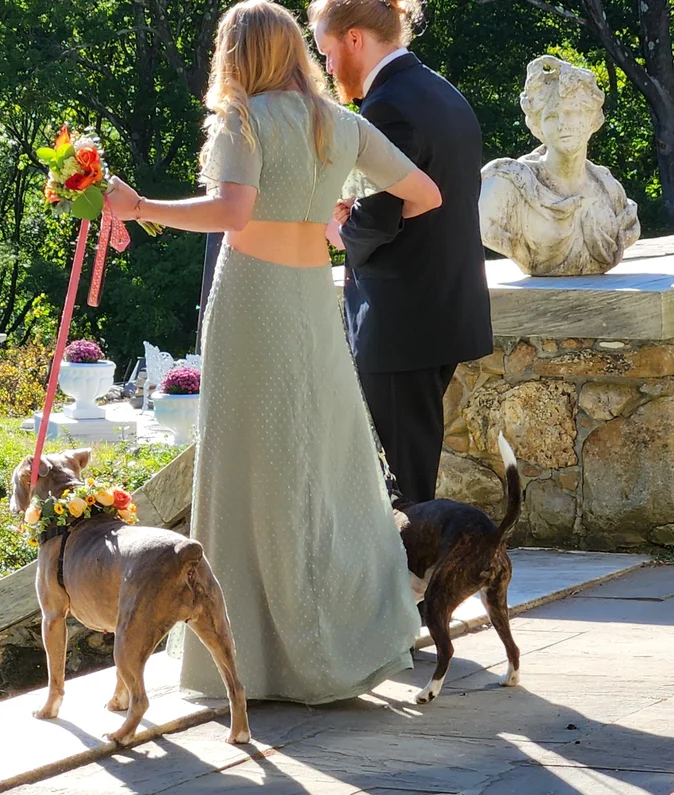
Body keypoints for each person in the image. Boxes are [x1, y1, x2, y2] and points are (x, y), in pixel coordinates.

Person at [106, 0, 441, 704]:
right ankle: (348, 631)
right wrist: (335, 218)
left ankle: (250, 656)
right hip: (314, 304)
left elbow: (231, 211)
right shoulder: (340, 124)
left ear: (237, 56)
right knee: (325, 464)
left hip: (254, 301)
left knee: (248, 470)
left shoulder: (243, 119)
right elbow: (423, 193)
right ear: (293, 50)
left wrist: (139, 206)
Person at [310, 0, 493, 504]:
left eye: (327, 53)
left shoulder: (387, 107)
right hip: (445, 306)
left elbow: (380, 218)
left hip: (400, 320)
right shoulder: (443, 93)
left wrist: (333, 228)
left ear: (354, 40)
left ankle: (411, 580)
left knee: (406, 481)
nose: (327, 68)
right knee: (415, 462)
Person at [480, 55, 640, 276]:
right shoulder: (507, 186)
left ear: (592, 120)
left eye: (573, 112)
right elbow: (485, 227)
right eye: (552, 116)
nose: (564, 124)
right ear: (538, 126)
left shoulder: (610, 192)